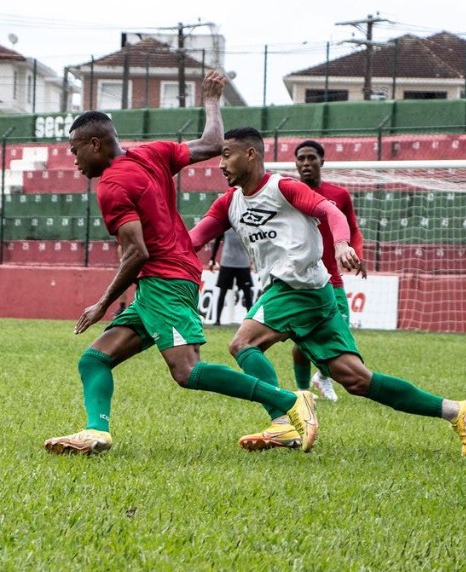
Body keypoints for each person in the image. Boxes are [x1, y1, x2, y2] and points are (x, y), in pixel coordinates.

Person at [43, 71, 319, 456]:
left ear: (94, 143)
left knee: (187, 371)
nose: (73, 160)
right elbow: (211, 143)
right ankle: (96, 432)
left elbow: (136, 253)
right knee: (95, 359)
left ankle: (288, 401)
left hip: (163, 279)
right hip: (172, 276)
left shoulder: (110, 185)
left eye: (75, 150)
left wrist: (102, 303)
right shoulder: (152, 152)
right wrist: (211, 101)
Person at [189, 127, 466, 456]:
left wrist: (342, 244)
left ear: (251, 154)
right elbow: (192, 240)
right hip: (316, 294)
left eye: (227, 155)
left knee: (242, 343)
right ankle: (457, 411)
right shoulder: (229, 203)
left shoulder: (283, 187)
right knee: (357, 380)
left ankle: (282, 418)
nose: (220, 164)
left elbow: (331, 211)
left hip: (296, 286)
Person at [290, 140, 365, 402]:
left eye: (311, 158)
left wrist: (356, 252)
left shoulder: (339, 195)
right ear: (296, 163)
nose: (306, 163)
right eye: (301, 159)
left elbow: (353, 229)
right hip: (300, 278)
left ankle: (322, 376)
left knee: (340, 331)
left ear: (322, 161)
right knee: (301, 338)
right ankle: (302, 391)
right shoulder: (286, 194)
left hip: (331, 278)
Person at [208, 227, 254, 325]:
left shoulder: (246, 225)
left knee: (247, 292)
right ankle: (217, 320)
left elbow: (254, 243)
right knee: (222, 292)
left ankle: (250, 321)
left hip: (243, 263)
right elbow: (217, 241)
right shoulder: (225, 226)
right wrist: (212, 258)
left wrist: (253, 260)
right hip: (227, 262)